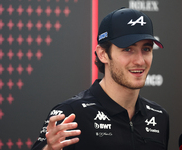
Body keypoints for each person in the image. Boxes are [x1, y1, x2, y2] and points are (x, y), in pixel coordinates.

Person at [31, 7, 169, 150]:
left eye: (146, 49)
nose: (140, 61)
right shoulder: (71, 114)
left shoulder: (159, 117)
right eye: (128, 49)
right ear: (102, 54)